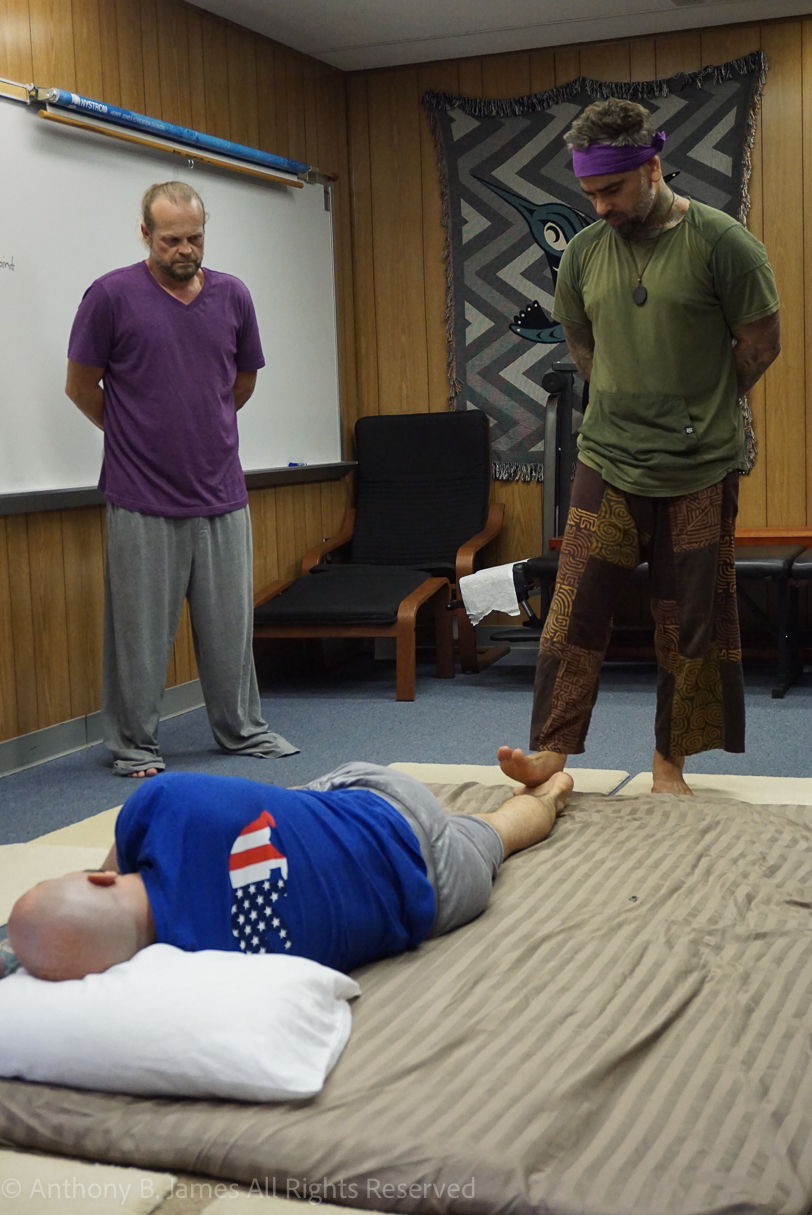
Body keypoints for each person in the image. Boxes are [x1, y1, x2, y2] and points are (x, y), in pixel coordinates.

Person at [498, 99, 780, 797]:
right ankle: (551, 751)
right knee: (574, 608)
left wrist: (701, 404)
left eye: (613, 190)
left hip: (700, 465)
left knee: (687, 620)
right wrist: (621, 398)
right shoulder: (585, 253)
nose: (601, 207)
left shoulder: (724, 244)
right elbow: (580, 338)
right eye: (590, 193)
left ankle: (668, 764)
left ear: (652, 168)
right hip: (608, 459)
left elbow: (760, 343)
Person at [65, 181, 296, 779]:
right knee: (139, 637)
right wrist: (133, 433)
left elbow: (242, 382)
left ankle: (242, 731)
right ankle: (134, 746)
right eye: (170, 240)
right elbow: (80, 385)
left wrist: (202, 428)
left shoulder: (232, 296)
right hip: (140, 496)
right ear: (145, 234)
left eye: (194, 237)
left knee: (229, 632)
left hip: (222, 492)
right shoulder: (110, 296)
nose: (184, 250)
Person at [7, 764, 573, 981]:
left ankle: (551, 794)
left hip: (431, 888)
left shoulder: (212, 977)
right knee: (289, 806)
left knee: (498, 832)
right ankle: (552, 777)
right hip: (372, 794)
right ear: (99, 879)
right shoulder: (160, 801)